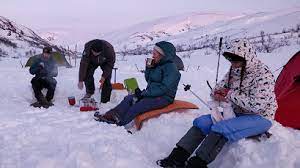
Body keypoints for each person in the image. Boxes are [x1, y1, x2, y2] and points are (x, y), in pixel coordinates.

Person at [157, 39, 278, 168]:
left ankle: (197, 163)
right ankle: (176, 158)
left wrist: (229, 94)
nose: (233, 64)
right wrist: (217, 94)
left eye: (236, 61)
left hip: (260, 117)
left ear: (246, 58)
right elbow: (218, 88)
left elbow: (257, 105)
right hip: (236, 113)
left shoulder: (262, 74)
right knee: (201, 122)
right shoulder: (233, 71)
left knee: (222, 128)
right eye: (231, 60)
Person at [95, 41, 181, 126]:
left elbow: (164, 88)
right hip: (153, 94)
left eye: (155, 53)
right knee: (129, 98)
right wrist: (149, 68)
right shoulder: (158, 64)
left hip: (164, 97)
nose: (153, 55)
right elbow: (149, 80)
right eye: (153, 52)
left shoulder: (171, 69)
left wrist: (144, 93)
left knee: (139, 105)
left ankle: (120, 122)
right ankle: (110, 116)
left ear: (163, 55)